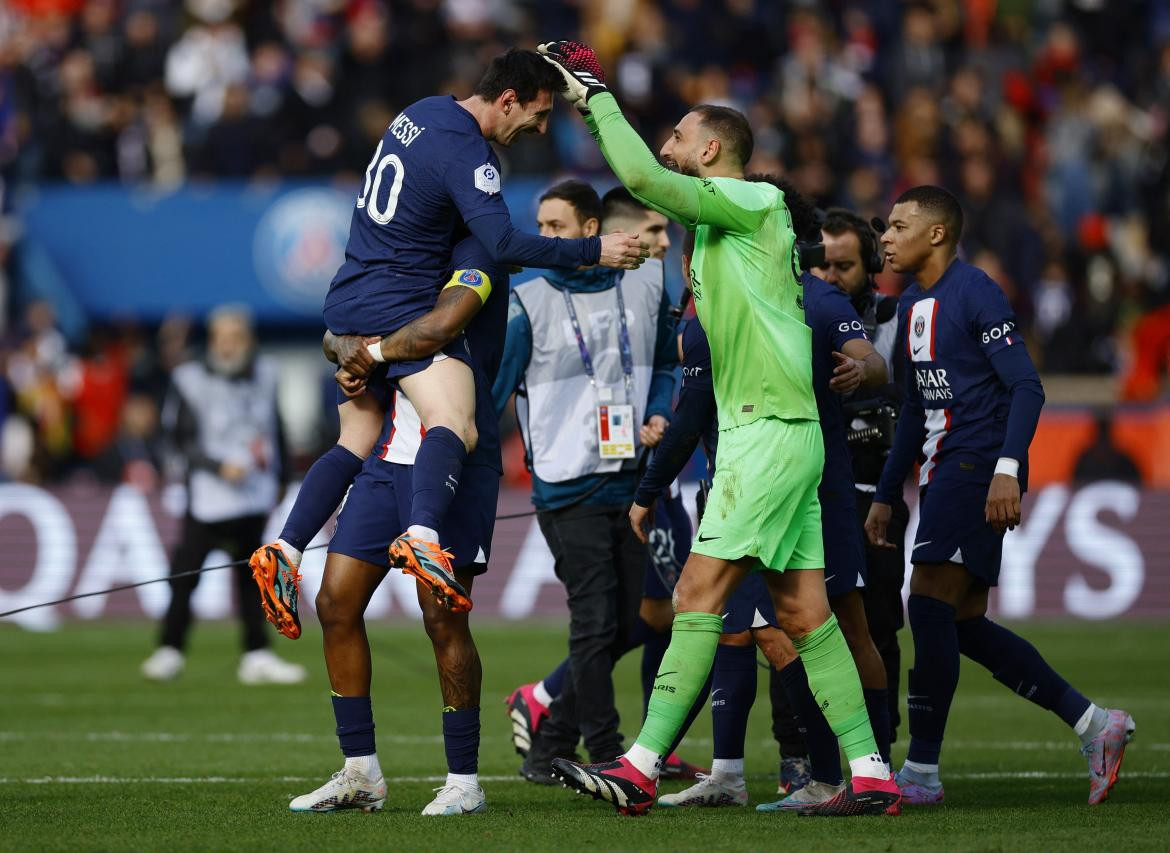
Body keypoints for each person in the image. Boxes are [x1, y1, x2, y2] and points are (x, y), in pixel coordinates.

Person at [538, 39, 899, 816]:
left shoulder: (753, 203)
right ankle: (870, 769)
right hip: (774, 433)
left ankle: (636, 764)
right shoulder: (716, 229)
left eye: (677, 136)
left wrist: (593, 94)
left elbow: (639, 177)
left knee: (697, 592)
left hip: (765, 434)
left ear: (710, 150)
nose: (665, 147)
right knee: (805, 612)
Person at [250, 49, 649, 633]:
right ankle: (423, 536)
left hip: (348, 298)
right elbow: (504, 243)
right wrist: (595, 250)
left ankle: (285, 547)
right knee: (456, 423)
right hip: (398, 305)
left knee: (356, 436)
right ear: (507, 99)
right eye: (536, 115)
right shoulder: (469, 149)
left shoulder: (421, 112)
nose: (538, 130)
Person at [864, 185, 1135, 806]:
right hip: (940, 475)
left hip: (978, 466)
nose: (887, 235)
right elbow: (911, 413)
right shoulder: (909, 306)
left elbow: (1027, 387)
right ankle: (1097, 724)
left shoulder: (975, 291)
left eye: (899, 225)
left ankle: (922, 774)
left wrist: (1006, 470)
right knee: (961, 622)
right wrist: (886, 493)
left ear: (936, 234)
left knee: (927, 605)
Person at [287, 236, 505, 816]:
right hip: (389, 460)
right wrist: (347, 359)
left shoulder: (473, 254)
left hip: (455, 453)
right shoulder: (393, 261)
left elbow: (433, 333)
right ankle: (360, 772)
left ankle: (464, 780)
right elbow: (338, 337)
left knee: (442, 617)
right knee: (334, 602)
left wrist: (364, 352)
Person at [504, 185, 703, 784]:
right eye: (540, 225)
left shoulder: (644, 284)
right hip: (567, 490)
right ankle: (610, 752)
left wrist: (662, 410)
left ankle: (548, 746)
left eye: (557, 225)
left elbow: (665, 364)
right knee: (594, 624)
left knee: (621, 626)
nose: (546, 237)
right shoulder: (528, 301)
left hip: (631, 485)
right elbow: (493, 396)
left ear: (591, 227)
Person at [140, 306, 304, 686]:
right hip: (209, 498)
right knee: (185, 575)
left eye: (236, 337)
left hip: (252, 495)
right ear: (212, 341)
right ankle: (170, 649)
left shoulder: (267, 374)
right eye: (222, 338)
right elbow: (177, 439)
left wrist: (283, 477)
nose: (229, 346)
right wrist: (217, 467)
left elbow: (276, 427)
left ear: (249, 340)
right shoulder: (189, 378)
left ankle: (257, 654)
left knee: (253, 578)